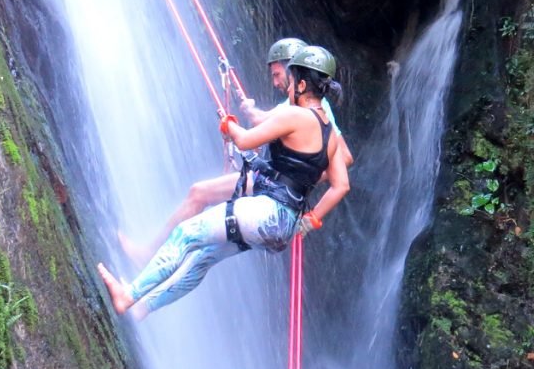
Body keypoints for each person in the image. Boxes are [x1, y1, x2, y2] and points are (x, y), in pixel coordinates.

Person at [98, 45, 350, 320]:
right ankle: (143, 309)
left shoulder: (295, 115)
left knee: (185, 235)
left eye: (290, 81)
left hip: (264, 211)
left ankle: (129, 296)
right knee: (204, 258)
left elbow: (244, 139)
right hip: (283, 228)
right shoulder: (331, 135)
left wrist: (227, 124)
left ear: (301, 84)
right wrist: (309, 221)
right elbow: (341, 185)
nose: (287, 88)